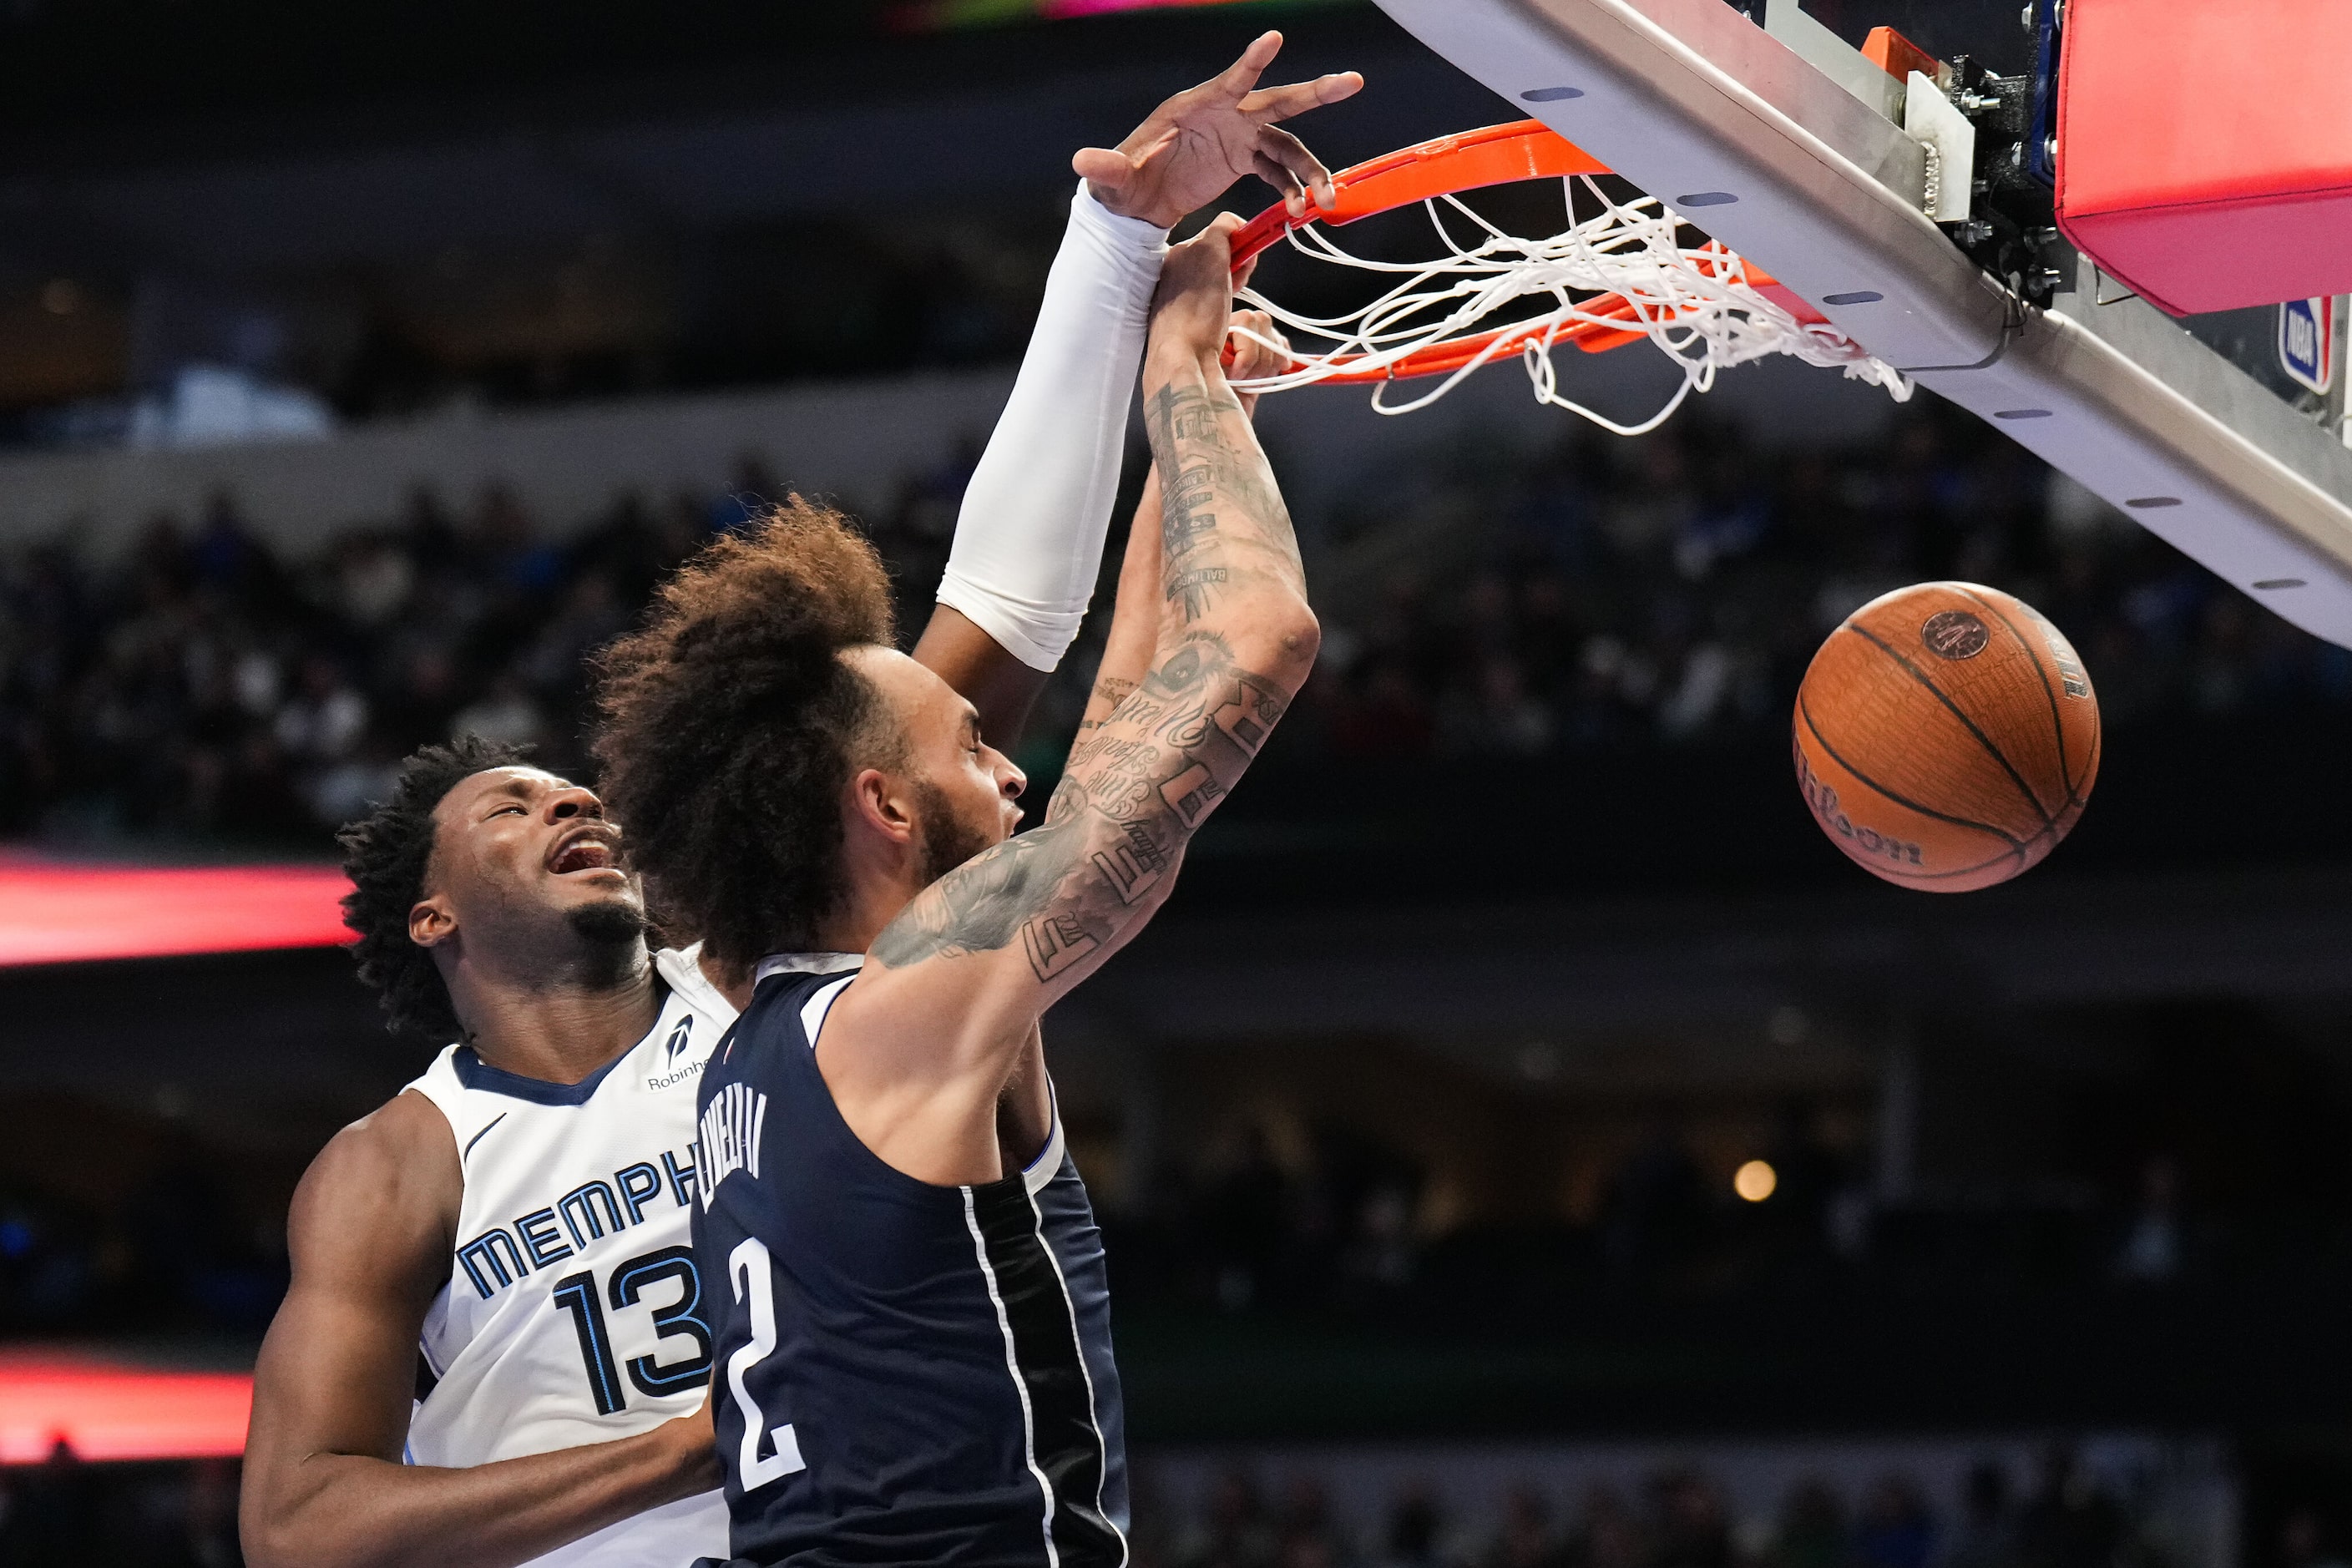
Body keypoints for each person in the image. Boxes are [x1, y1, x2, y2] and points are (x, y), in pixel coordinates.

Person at [235, 33, 1353, 1567]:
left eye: (576, 787)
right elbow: (296, 1526)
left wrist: (1115, 257)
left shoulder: (758, 990)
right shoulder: (408, 1156)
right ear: (434, 913)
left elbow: (1010, 623)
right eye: (510, 807)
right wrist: (700, 1446)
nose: (570, 808)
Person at [589, 185, 1323, 1565]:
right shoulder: (898, 1015)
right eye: (975, 744)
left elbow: (1126, 725)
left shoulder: (776, 1044)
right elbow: (1260, 638)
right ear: (880, 803)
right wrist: (1172, 369)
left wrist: (1202, 421)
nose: (1015, 776)